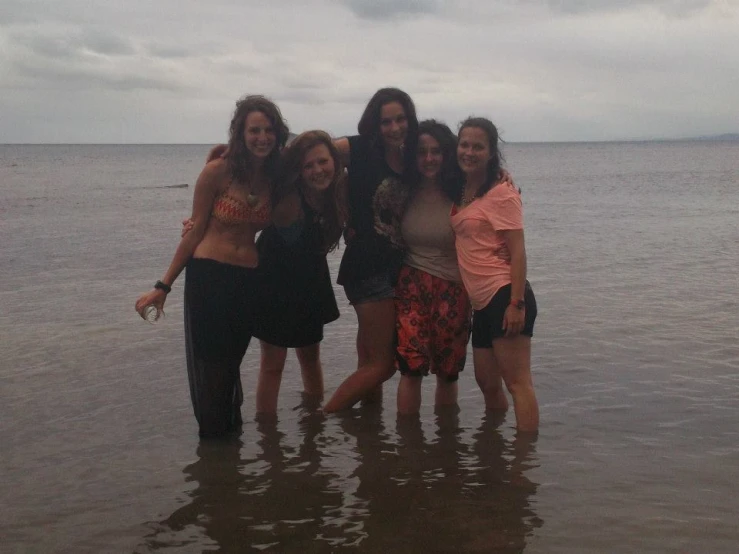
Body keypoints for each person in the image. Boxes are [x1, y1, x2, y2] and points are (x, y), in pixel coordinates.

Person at [134, 95, 289, 437]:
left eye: (269, 130)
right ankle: (215, 453)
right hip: (210, 278)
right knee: (214, 368)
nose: (262, 137)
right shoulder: (217, 171)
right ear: (240, 133)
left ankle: (225, 452)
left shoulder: (275, 178)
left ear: (278, 135)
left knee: (231, 366)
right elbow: (194, 232)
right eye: (254, 130)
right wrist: (163, 286)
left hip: (249, 281)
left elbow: (313, 155)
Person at [321, 87, 420, 413]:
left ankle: (368, 432)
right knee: (384, 365)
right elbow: (310, 153)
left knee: (368, 361)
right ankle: (324, 420)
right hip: (367, 267)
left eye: (400, 119)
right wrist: (241, 159)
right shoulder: (359, 148)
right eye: (386, 121)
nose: (394, 128)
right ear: (374, 125)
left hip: (392, 268)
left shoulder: (410, 159)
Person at [449, 117, 539, 432]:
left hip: (505, 295)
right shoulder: (461, 188)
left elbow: (518, 251)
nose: (469, 152)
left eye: (478, 146)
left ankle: (523, 465)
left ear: (490, 152)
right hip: (481, 303)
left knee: (518, 384)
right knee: (487, 383)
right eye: (464, 144)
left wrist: (517, 303)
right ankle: (494, 454)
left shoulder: (502, 193)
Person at [252, 131, 347, 416]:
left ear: (335, 161)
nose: (317, 170)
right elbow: (244, 207)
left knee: (310, 358)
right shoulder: (288, 198)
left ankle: (314, 427)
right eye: (308, 166)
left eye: (322, 162)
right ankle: (268, 439)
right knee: (272, 364)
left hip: (311, 279)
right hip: (273, 282)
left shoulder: (338, 191)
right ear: (298, 170)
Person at [390, 120, 472, 415]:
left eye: (436, 151)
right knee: (410, 368)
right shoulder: (402, 190)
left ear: (447, 154)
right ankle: (408, 450)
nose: (428, 158)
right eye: (421, 151)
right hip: (411, 284)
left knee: (448, 372)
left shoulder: (464, 191)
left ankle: (446, 448)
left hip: (454, 287)